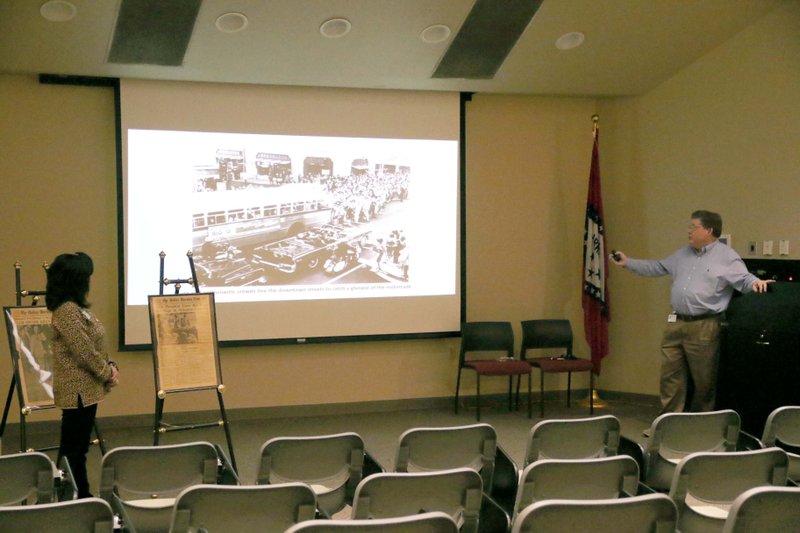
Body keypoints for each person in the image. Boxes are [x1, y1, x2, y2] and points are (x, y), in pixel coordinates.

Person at [610, 210, 772, 413]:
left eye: (693, 227)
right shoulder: (682, 253)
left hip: (704, 325)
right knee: (670, 377)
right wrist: (628, 263)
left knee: (704, 380)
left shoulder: (727, 257)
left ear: (709, 230)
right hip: (675, 323)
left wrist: (757, 282)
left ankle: (700, 426)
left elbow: (744, 279)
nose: (688, 231)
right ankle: (668, 423)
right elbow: (658, 267)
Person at [46, 252, 119, 498]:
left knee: (75, 448)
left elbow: (92, 344)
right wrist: (107, 372)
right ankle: (81, 499)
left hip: (86, 391)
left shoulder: (75, 308)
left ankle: (73, 497)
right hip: (77, 392)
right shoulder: (66, 311)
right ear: (76, 280)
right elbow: (84, 351)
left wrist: (110, 365)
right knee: (74, 451)